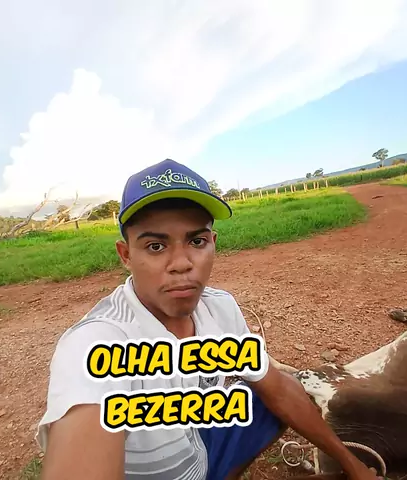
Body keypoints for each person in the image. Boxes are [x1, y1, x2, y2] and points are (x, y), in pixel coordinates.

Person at [36, 158, 380, 480]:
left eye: (197, 241)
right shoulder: (98, 343)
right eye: (156, 246)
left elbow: (278, 389)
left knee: (270, 397)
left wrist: (352, 465)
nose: (182, 263)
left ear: (213, 243)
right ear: (126, 255)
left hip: (199, 445)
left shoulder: (220, 308)